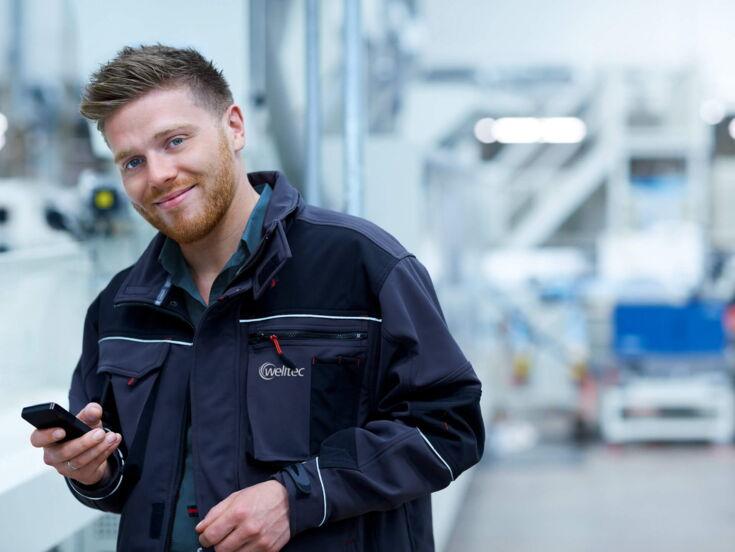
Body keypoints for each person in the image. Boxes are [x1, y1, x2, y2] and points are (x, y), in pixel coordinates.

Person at [29, 44, 484, 552]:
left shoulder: (362, 265)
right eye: (133, 161)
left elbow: (448, 428)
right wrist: (90, 470)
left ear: (235, 128)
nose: (157, 174)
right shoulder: (120, 307)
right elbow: (124, 483)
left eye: (175, 141)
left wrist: (298, 498)